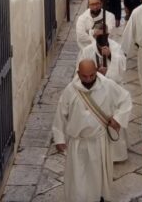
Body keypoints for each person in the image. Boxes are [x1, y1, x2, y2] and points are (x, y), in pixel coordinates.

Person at [52, 59, 132, 202]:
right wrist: (59, 138)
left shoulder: (107, 85)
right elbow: (60, 114)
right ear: (78, 73)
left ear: (96, 71)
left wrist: (118, 118)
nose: (88, 80)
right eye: (84, 76)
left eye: (91, 76)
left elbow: (125, 99)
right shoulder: (71, 90)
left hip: (99, 140)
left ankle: (98, 197)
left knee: (97, 175)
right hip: (78, 142)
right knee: (78, 177)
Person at [76, 23, 129, 163]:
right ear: (94, 35)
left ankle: (116, 155)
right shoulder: (87, 50)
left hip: (112, 90)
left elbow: (122, 67)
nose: (102, 38)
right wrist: (96, 74)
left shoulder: (115, 47)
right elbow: (80, 68)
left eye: (104, 35)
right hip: (94, 90)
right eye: (99, 36)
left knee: (113, 119)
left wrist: (111, 56)